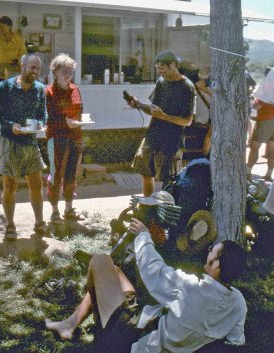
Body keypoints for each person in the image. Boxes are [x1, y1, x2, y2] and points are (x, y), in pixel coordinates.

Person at [45, 218, 247, 353]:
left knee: (100, 261)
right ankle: (70, 323)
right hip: (147, 323)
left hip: (127, 341)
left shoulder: (190, 288)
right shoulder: (238, 303)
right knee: (115, 271)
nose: (209, 250)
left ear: (217, 265)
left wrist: (144, 235)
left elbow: (154, 270)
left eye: (213, 251)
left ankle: (75, 326)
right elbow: (235, 341)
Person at [0, 53, 47, 240]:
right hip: (9, 141)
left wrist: (40, 124)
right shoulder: (5, 87)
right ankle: (10, 225)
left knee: (36, 184)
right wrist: (11, 124)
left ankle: (39, 222)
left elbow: (43, 114)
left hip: (30, 142)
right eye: (32, 68)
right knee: (10, 185)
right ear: (22, 66)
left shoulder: (39, 89)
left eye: (38, 69)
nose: (36, 72)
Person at [130, 50, 195, 196]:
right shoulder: (161, 82)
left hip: (172, 139)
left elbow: (188, 120)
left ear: (173, 65)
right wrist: (138, 104)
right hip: (153, 135)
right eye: (157, 69)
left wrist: (164, 116)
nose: (159, 72)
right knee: (146, 173)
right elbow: (154, 112)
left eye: (162, 68)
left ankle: (166, 214)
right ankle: (147, 207)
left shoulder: (187, 86)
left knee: (169, 181)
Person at [45, 53, 85, 224]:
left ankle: (69, 209)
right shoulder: (49, 92)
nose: (67, 74)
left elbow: (80, 110)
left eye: (70, 70)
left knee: (71, 175)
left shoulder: (75, 89)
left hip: (75, 137)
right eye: (64, 70)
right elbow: (47, 116)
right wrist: (65, 121)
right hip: (57, 138)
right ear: (55, 72)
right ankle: (55, 211)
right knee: (56, 175)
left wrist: (78, 121)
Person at [246, 72, 274, 182]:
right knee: (273, 148)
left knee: (255, 146)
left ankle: (247, 171)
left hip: (266, 119)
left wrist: (253, 104)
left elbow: (258, 105)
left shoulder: (268, 88)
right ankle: (269, 174)